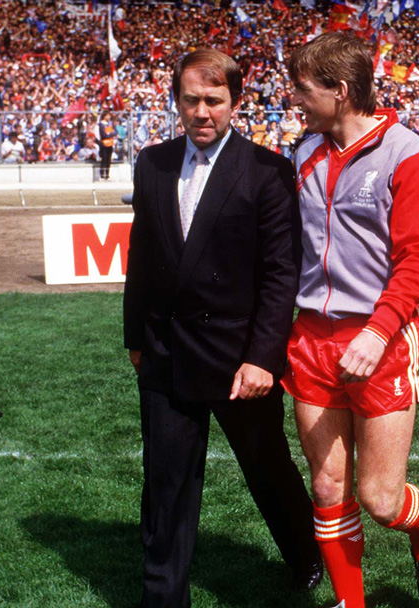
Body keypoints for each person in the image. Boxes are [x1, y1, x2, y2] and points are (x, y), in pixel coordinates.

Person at [123, 48, 321, 607]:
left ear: (236, 102)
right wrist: (135, 337)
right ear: (176, 101)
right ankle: (164, 597)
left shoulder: (267, 170)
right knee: (167, 482)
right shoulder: (152, 162)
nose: (202, 112)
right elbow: (142, 255)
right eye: (192, 100)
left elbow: (282, 274)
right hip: (166, 354)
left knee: (268, 469)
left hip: (240, 361)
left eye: (214, 100)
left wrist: (263, 357)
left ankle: (305, 553)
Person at [283, 33, 419, 608]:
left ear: (341, 90)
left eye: (305, 90)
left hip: (378, 339)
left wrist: (379, 332)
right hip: (309, 339)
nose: (296, 100)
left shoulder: (408, 154)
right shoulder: (304, 154)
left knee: (380, 499)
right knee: (328, 485)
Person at [98, 111, 117, 180]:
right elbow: (104, 134)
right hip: (104, 144)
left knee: (109, 159)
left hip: (110, 143)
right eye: (108, 115)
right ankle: (102, 175)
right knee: (104, 159)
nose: (109, 117)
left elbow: (115, 131)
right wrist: (110, 134)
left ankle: (107, 175)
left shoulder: (110, 123)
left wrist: (110, 134)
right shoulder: (101, 124)